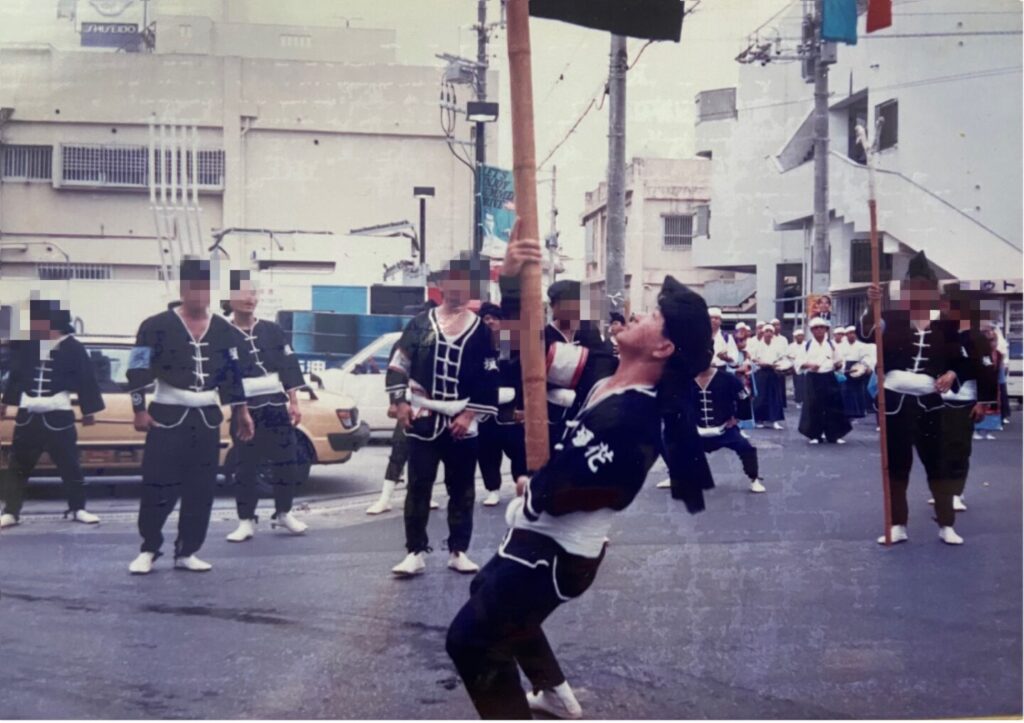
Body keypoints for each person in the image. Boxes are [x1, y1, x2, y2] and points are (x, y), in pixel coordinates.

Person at [446, 226, 713, 720]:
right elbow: (521, 349)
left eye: (652, 315)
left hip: (556, 553)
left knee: (471, 642)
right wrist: (511, 282)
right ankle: (552, 691)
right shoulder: (603, 370)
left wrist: (536, 490)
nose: (637, 313)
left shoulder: (638, 415)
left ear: (663, 349)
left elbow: (607, 488)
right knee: (486, 590)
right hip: (540, 539)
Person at [126, 257, 254, 574]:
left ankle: (187, 550)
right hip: (166, 416)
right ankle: (149, 548)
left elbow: (234, 375)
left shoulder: (225, 330)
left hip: (207, 418)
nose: (200, 294)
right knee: (158, 484)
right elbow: (137, 368)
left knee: (201, 488)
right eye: (193, 288)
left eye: (205, 288)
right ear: (183, 289)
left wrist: (242, 411)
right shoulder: (154, 326)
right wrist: (139, 408)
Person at [385, 255, 499, 577]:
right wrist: (401, 402)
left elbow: (490, 377)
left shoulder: (480, 331)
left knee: (462, 487)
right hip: (423, 418)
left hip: (462, 421)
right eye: (453, 282)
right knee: (418, 485)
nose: (458, 290)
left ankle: (458, 550)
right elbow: (399, 363)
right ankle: (414, 552)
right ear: (441, 285)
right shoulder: (420, 324)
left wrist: (469, 414)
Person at [859, 250, 966, 545]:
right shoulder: (891, 318)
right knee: (896, 465)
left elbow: (961, 360)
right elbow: (867, 334)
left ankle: (946, 525)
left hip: (930, 403)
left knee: (938, 464)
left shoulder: (947, 323)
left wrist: (952, 375)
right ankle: (897, 525)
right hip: (895, 404)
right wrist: (872, 305)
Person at [0, 298, 105, 529]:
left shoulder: (74, 347)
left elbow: (87, 380)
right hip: (28, 415)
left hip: (59, 415)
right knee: (18, 465)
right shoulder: (29, 345)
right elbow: (16, 375)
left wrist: (89, 411)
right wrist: (6, 403)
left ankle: (78, 508)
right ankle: (11, 512)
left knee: (70, 465)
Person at [221, 271, 309, 542]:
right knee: (246, 466)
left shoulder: (272, 329)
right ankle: (246, 520)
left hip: (275, 405)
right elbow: (226, 375)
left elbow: (288, 366)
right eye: (243, 293)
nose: (250, 298)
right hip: (244, 408)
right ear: (229, 298)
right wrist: (241, 410)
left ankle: (284, 513)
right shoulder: (222, 333)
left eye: (254, 293)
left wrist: (293, 401)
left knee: (286, 461)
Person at [933, 288, 998, 514]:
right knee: (938, 447)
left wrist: (983, 402)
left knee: (959, 447)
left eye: (947, 305)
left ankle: (957, 492)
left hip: (965, 397)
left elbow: (987, 370)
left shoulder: (976, 336)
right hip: (938, 397)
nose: (943, 309)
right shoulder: (942, 333)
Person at [658, 364, 765, 494]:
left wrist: (737, 418)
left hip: (723, 429)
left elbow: (744, 398)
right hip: (694, 431)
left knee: (746, 447)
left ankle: (754, 479)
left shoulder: (728, 379)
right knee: (665, 439)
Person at [476, 302, 527, 508]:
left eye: (494, 318)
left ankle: (521, 486)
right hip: (486, 408)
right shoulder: (477, 345)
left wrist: (523, 406)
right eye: (486, 319)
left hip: (511, 407)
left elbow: (524, 377)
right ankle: (492, 489)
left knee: (518, 450)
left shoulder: (513, 344)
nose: (490, 322)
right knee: (487, 451)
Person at [797, 317, 850, 444]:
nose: (819, 330)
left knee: (833, 406)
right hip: (813, 378)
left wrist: (838, 365)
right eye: (816, 328)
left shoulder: (832, 345)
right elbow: (798, 362)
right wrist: (809, 365)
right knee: (813, 407)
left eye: (822, 327)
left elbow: (840, 361)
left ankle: (834, 435)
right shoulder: (807, 345)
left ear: (826, 330)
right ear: (812, 331)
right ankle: (814, 435)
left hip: (829, 377)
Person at [751, 324, 786, 430]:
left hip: (773, 372)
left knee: (774, 396)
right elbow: (753, 358)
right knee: (761, 396)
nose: (769, 333)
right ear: (763, 333)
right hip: (761, 372)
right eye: (767, 331)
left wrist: (777, 364)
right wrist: (761, 362)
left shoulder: (776, 346)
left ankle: (774, 421)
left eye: (771, 331)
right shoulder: (757, 345)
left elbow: (782, 357)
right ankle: (759, 420)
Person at [839, 326, 874, 420]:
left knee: (858, 390)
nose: (852, 335)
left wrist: (865, 366)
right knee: (846, 390)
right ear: (846, 335)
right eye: (850, 333)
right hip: (846, 368)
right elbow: (840, 358)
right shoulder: (841, 345)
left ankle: (858, 412)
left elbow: (866, 357)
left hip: (858, 367)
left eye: (854, 333)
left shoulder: (861, 345)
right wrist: (842, 367)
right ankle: (847, 412)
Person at [788, 328, 806, 405]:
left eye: (801, 336)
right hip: (795, 368)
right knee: (797, 385)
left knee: (805, 385)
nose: (800, 337)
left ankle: (805, 400)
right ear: (795, 337)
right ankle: (798, 400)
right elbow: (789, 357)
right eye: (798, 336)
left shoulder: (806, 344)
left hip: (805, 367)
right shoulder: (791, 346)